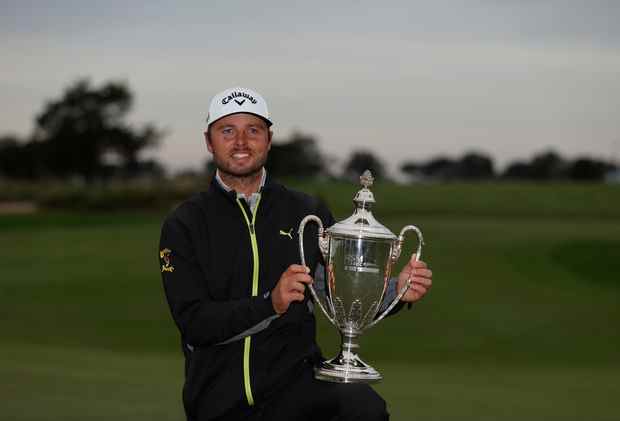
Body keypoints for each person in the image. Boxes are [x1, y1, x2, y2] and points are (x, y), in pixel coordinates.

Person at [159, 87, 433, 421]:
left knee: (363, 408)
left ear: (269, 139)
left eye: (253, 130)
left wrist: (394, 291)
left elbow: (334, 291)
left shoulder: (306, 211)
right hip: (220, 399)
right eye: (228, 130)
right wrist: (270, 303)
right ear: (209, 141)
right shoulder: (186, 222)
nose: (241, 142)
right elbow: (195, 323)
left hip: (295, 387)